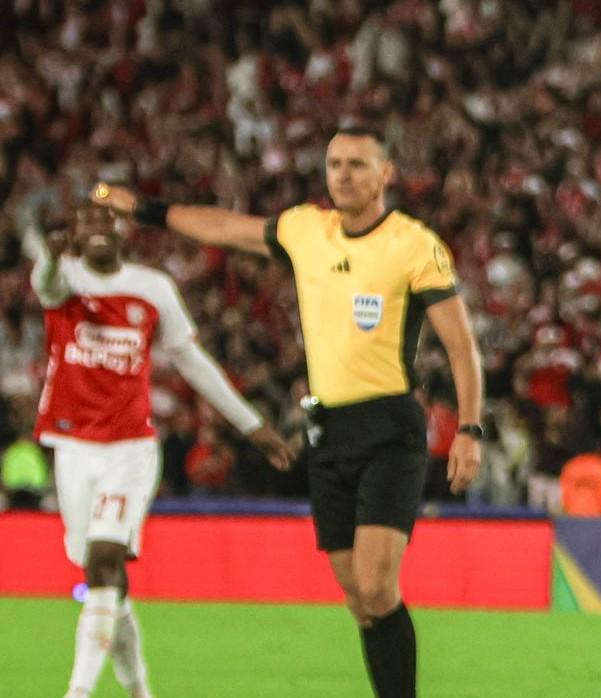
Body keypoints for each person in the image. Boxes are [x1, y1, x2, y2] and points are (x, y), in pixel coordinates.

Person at [91, 124, 483, 698]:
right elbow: (223, 227)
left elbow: (461, 345)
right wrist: (144, 210)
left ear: (385, 175)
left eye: (356, 164)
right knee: (358, 599)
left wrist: (470, 427)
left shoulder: (412, 244)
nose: (343, 175)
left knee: (377, 587)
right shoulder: (306, 230)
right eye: (334, 164)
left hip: (389, 429)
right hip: (328, 432)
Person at [34, 205, 291, 698]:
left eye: (107, 221)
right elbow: (44, 283)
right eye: (86, 220)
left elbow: (191, 361)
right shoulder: (64, 278)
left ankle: (79, 690)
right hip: (73, 448)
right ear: (75, 232)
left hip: (129, 448)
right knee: (101, 574)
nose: (97, 229)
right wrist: (48, 258)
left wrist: (250, 423)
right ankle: (139, 690)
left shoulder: (152, 288)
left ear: (123, 231)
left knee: (107, 556)